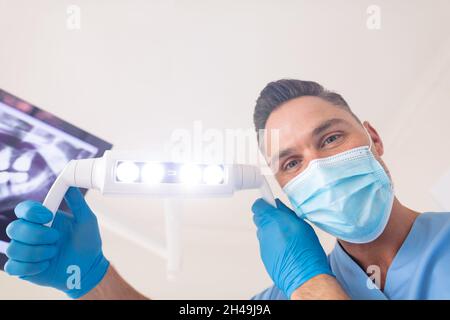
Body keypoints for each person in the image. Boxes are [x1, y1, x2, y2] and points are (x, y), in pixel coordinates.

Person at [4, 79, 450, 299]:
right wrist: (94, 280)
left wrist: (312, 286)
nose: (319, 168)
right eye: (291, 163)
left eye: (331, 138)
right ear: (282, 190)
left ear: (372, 138)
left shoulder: (299, 283)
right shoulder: (280, 293)